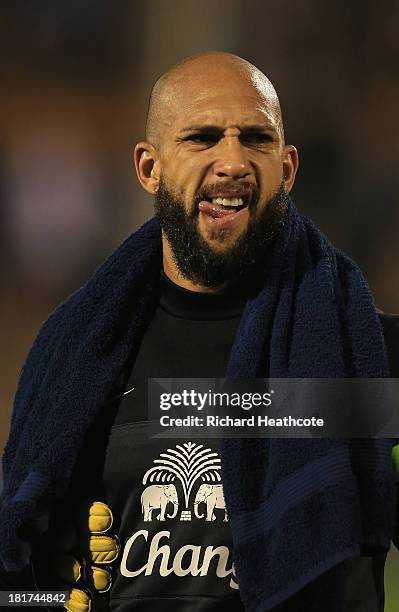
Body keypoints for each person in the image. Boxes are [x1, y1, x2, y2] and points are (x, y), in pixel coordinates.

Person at [1, 52, 398, 612]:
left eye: (256, 139)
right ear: (148, 168)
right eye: (203, 138)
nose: (232, 160)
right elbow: (20, 582)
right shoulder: (73, 358)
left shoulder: (369, 357)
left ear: (287, 169)